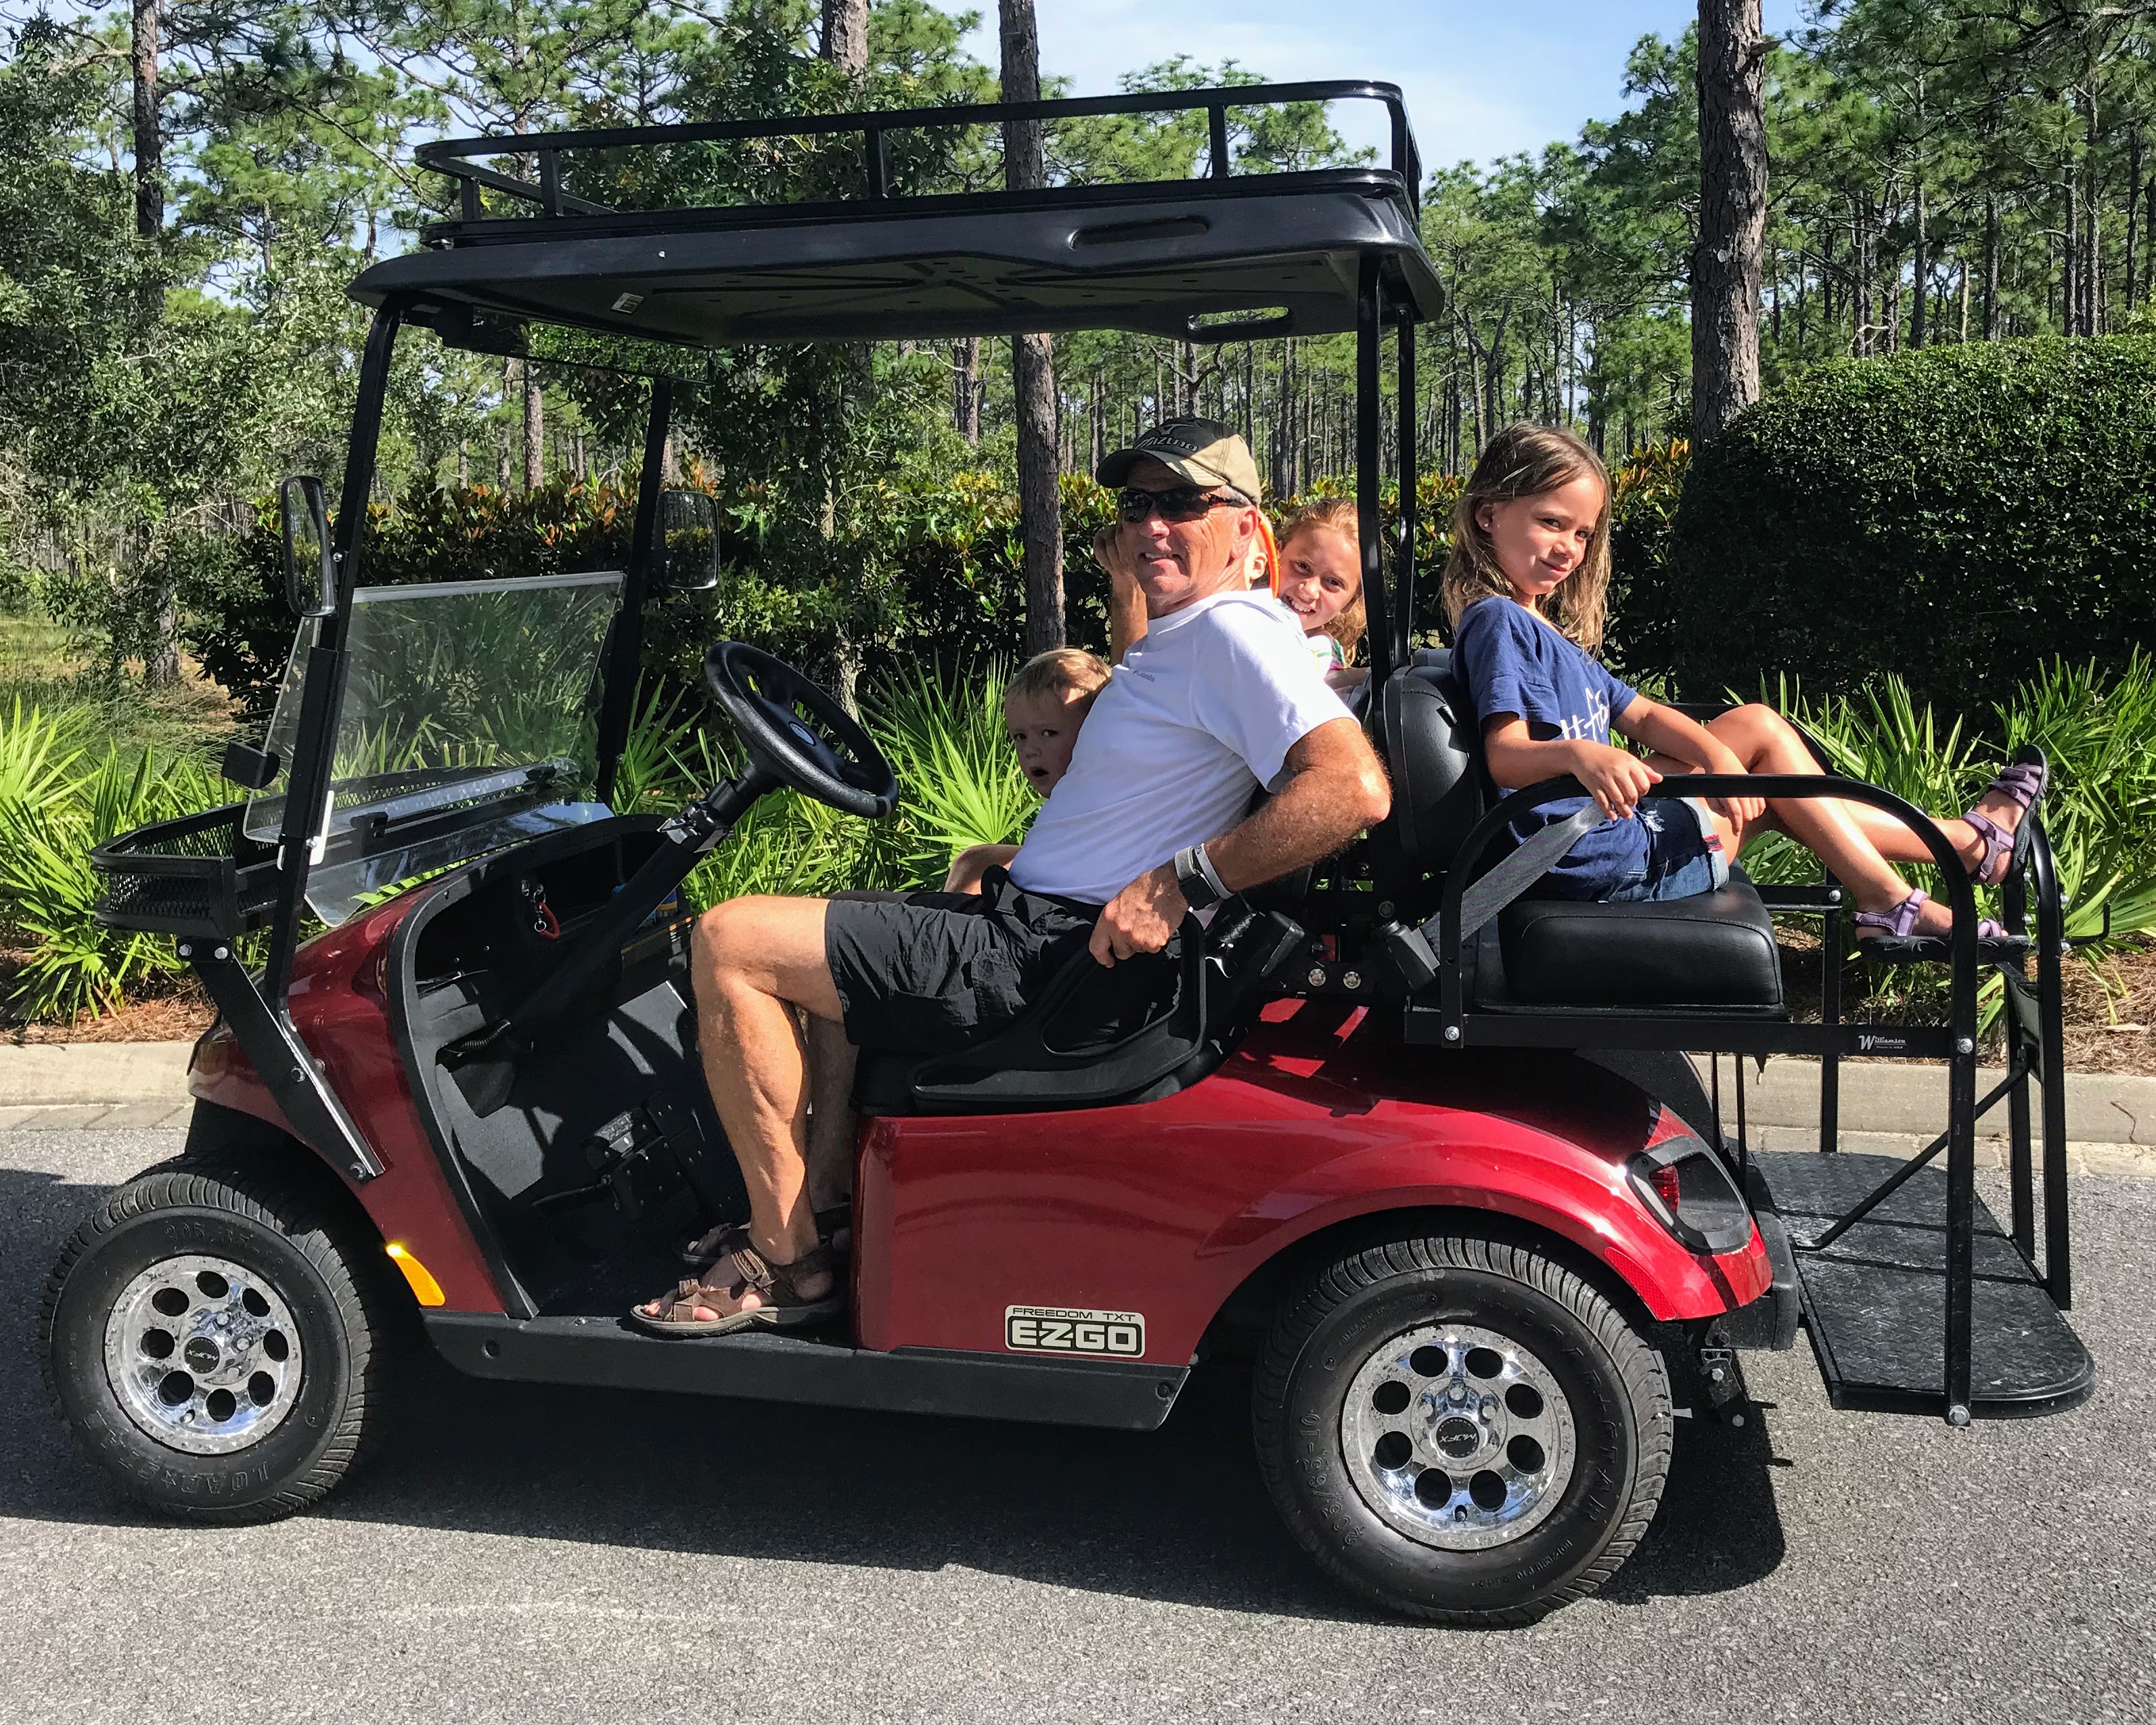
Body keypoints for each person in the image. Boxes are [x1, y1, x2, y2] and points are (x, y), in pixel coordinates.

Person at [634, 418, 1390, 1337]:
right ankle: (825, 1210)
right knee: (833, 966)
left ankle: (785, 1257)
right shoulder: (1194, 633)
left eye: (1183, 503)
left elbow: (1350, 788)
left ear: (1244, 527)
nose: (1153, 524)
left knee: (730, 940)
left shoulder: (1234, 634)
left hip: (1039, 961)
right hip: (1031, 926)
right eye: (1138, 504)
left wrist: (1180, 883)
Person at [1442, 422, 2047, 943]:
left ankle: (1944, 863)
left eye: (1583, 534)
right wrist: (1581, 754)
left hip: (1607, 838)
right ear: (1488, 513)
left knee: (1758, 737)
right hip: (1596, 861)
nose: (1568, 549)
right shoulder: (1497, 621)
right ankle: (1918, 881)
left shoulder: (1536, 627)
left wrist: (1716, 755)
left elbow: (1644, 715)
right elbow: (1505, 757)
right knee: (1773, 765)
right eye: (1551, 522)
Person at [941, 646, 1112, 894]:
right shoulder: (1066, 803)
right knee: (974, 860)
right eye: (1019, 737)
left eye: (1048, 733)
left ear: (1095, 732)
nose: (1030, 750)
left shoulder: (1103, 795)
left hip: (1058, 917)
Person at [1272, 497, 1368, 695]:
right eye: (1302, 566)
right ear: (1276, 555)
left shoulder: (1326, 667)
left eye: (1333, 582)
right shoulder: (1229, 613)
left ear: (1350, 601)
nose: (1308, 590)